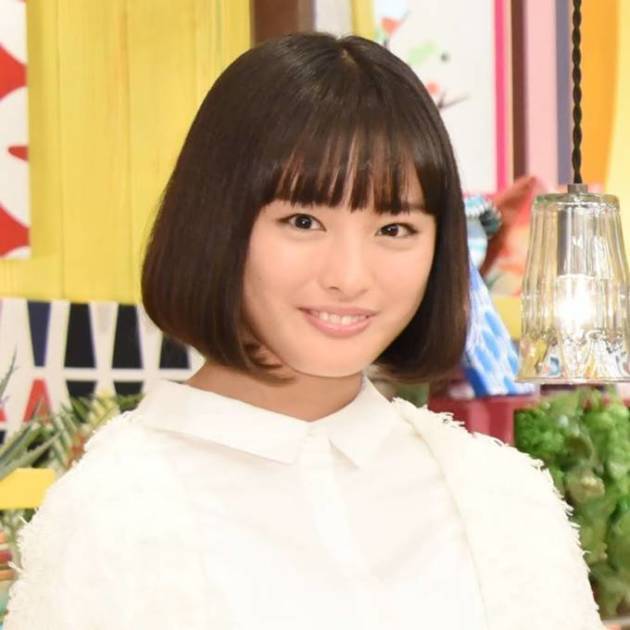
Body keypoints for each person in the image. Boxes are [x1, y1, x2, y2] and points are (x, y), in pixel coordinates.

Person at [5, 32, 604, 629]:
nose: (349, 277)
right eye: (302, 221)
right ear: (217, 223)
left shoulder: (498, 498)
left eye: (394, 229)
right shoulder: (114, 513)